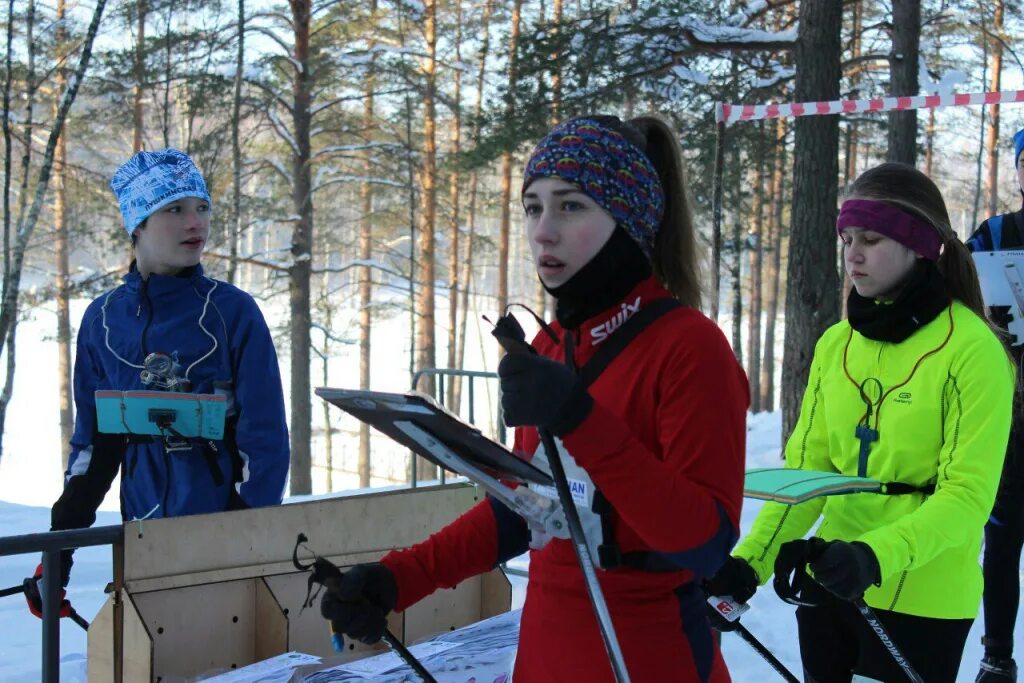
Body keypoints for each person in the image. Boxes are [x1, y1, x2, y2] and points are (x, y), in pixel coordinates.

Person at [319, 115, 748, 681]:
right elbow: (527, 509)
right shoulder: (549, 346)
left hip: (649, 654)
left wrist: (579, 417)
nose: (543, 231)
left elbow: (704, 542)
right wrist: (399, 578)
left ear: (628, 219)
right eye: (533, 207)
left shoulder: (689, 347)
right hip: (547, 649)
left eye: (570, 206)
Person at [706, 162, 1015, 683]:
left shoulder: (974, 349)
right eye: (847, 238)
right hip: (830, 582)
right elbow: (808, 476)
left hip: (924, 597)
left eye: (870, 238)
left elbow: (967, 498)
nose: (852, 253)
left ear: (920, 244)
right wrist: (749, 565)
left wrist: (873, 557)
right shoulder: (836, 343)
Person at [25, 148, 290, 617]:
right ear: (138, 225)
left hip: (224, 551)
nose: (196, 223)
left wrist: (241, 541)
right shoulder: (103, 320)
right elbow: (94, 447)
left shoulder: (232, 313)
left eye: (202, 207)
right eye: (175, 209)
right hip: (142, 542)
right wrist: (58, 554)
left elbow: (265, 445)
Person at [966, 127, 1024, 683]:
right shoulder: (995, 233)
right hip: (1011, 413)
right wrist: (991, 322)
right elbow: (955, 293)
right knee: (1002, 542)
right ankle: (997, 658)